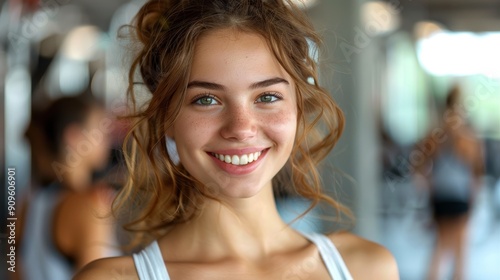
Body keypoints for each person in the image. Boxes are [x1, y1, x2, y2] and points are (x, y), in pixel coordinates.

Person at [75, 0, 399, 279]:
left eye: (267, 96)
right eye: (206, 100)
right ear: (165, 119)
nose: (241, 128)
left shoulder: (367, 268)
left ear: (299, 106)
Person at [18, 95, 119, 280]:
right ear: (73, 137)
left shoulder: (28, 201)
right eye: (100, 130)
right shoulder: (90, 207)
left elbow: (14, 271)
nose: (108, 139)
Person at [417, 86, 484, 280]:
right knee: (460, 253)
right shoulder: (469, 137)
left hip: (440, 197)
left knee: (439, 249)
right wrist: (474, 202)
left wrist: (430, 189)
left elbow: (420, 169)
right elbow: (477, 175)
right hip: (460, 197)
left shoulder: (435, 134)